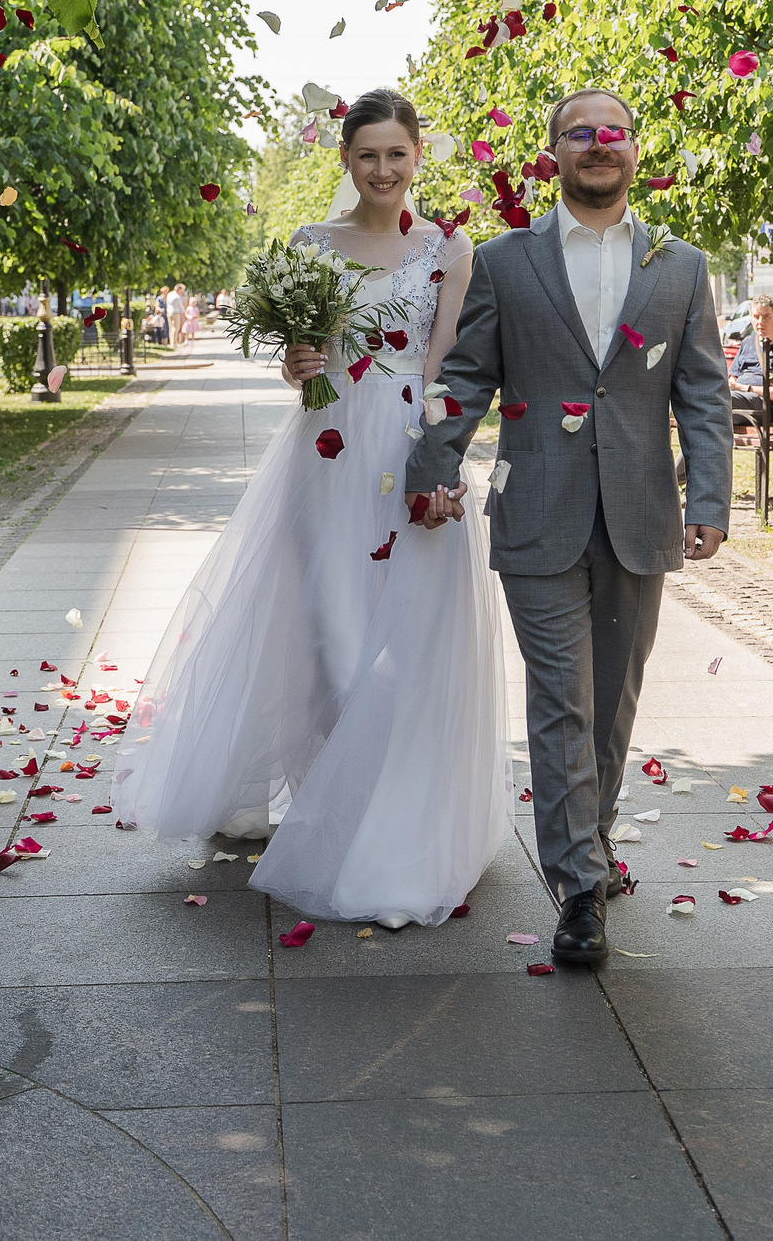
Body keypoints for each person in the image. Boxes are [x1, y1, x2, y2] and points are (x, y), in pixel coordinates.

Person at [115, 89, 507, 927]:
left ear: (418, 155)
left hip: (409, 450)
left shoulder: (449, 248)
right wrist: (297, 366)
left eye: (397, 153)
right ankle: (337, 799)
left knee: (411, 638)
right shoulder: (308, 245)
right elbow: (303, 367)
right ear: (345, 160)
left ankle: (398, 817)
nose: (383, 169)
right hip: (326, 457)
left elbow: (447, 370)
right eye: (367, 154)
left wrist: (442, 464)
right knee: (333, 636)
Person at [408, 87, 735, 966]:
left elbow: (703, 391)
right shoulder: (509, 262)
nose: (600, 144)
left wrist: (709, 497)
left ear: (635, 150)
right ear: (551, 151)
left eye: (614, 132)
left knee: (612, 707)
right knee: (561, 701)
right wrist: (432, 467)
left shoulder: (682, 265)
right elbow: (469, 374)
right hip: (538, 513)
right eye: (581, 132)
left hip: (640, 517)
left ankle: (593, 838)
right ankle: (578, 885)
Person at [728, 296, 773, 429]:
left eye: (766, 317)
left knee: (722, 401)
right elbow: (732, 378)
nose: (760, 322)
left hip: (764, 407)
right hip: (738, 402)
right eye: (756, 317)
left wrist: (746, 388)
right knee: (710, 399)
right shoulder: (747, 342)